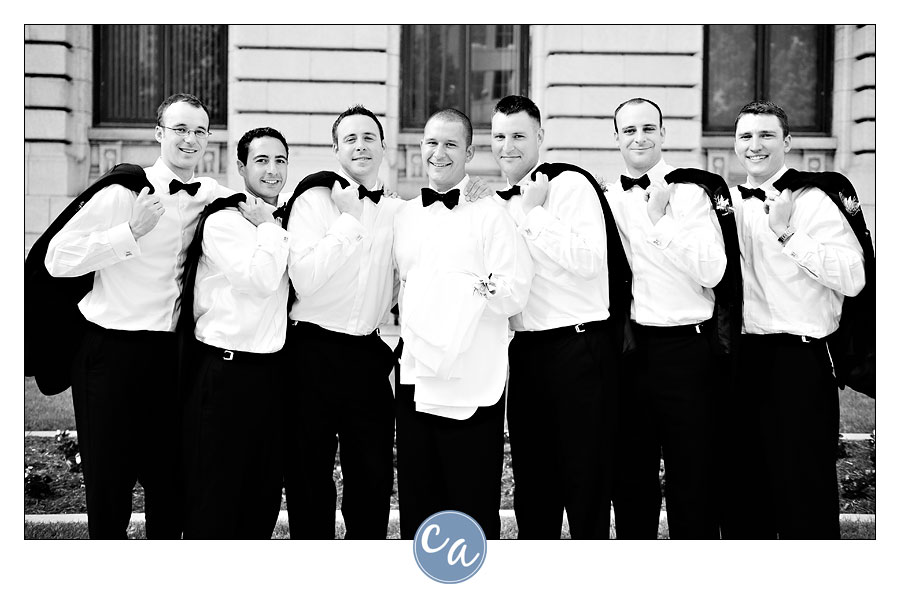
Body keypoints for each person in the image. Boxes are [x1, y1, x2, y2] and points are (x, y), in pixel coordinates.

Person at [43, 93, 232, 539]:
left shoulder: (210, 194)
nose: (189, 139)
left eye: (199, 131)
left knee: (171, 485)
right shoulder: (121, 193)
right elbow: (56, 259)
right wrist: (129, 233)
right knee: (109, 490)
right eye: (179, 129)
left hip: (173, 360)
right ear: (158, 133)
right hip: (110, 356)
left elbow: (257, 198)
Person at [723, 100, 867, 539]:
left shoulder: (816, 200)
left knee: (804, 489)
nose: (755, 145)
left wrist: (788, 234)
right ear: (735, 143)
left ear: (787, 142)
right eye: (746, 136)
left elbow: (855, 279)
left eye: (766, 135)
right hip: (741, 362)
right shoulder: (727, 203)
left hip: (799, 363)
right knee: (745, 492)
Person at [489, 95, 629, 539]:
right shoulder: (496, 202)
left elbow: (590, 261)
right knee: (534, 483)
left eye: (518, 136)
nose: (507, 146)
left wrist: (533, 214)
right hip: (526, 354)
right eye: (499, 136)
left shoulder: (570, 185)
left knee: (586, 481)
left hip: (580, 349)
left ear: (540, 138)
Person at [393, 108, 532, 539]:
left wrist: (463, 290)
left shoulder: (490, 212)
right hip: (416, 379)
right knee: (419, 505)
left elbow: (513, 292)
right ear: (420, 148)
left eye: (451, 144)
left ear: (469, 152)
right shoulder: (405, 215)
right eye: (432, 142)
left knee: (472, 507)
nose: (439, 152)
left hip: (473, 381)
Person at [606, 98, 730, 539]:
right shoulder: (609, 197)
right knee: (632, 478)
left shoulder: (693, 193)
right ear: (616, 137)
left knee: (693, 476)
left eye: (648, 129)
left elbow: (714, 270)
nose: (638, 137)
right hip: (633, 354)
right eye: (629, 130)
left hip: (688, 351)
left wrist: (660, 222)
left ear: (663, 134)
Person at [179, 127, 291, 539]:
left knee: (260, 498)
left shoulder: (283, 221)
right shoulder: (225, 222)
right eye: (262, 160)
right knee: (215, 498)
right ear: (241, 167)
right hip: (224, 376)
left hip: (271, 377)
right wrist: (269, 227)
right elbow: (259, 280)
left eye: (280, 160)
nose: (273, 170)